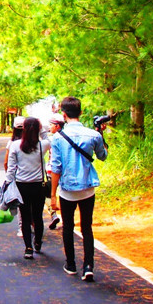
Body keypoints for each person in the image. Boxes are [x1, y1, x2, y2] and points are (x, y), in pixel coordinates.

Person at [49, 96, 108, 282]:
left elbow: (56, 168)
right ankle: (88, 266)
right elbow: (103, 156)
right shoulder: (94, 135)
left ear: (64, 114)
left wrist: (52, 195)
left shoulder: (58, 138)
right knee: (87, 227)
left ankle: (71, 264)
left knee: (68, 227)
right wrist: (101, 134)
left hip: (67, 189)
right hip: (87, 188)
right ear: (81, 113)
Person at [6, 117, 51, 259]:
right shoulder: (42, 145)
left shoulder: (15, 145)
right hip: (38, 185)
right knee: (37, 216)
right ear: (38, 129)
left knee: (25, 217)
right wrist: (41, 128)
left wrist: (8, 184)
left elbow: (11, 169)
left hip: (21, 185)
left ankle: (28, 248)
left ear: (23, 129)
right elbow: (48, 138)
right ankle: (37, 242)